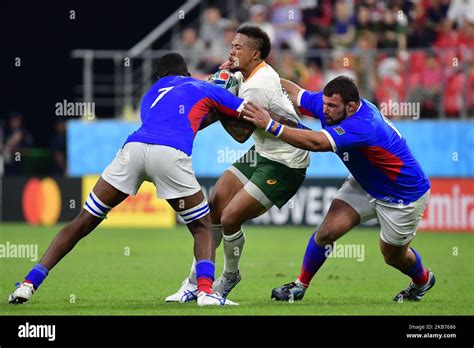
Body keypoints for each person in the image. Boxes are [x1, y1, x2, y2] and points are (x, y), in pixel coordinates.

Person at [8, 53, 250, 307]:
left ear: (158, 78)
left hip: (133, 150)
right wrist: (227, 92)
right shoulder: (199, 86)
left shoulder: (149, 96)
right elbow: (244, 114)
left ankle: (28, 284)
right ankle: (205, 292)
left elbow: (176, 120)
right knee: (202, 227)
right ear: (187, 74)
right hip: (169, 154)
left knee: (83, 221)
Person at [241, 76, 435, 302]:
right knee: (326, 233)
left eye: (332, 106)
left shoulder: (365, 125)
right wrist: (259, 73)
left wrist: (269, 125)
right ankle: (299, 285)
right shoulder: (330, 104)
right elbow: (295, 93)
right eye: (325, 104)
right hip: (365, 183)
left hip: (402, 195)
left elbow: (316, 143)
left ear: (351, 107)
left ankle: (423, 280)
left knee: (392, 256)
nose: (325, 110)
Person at [166, 26, 310, 302]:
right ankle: (194, 282)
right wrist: (220, 89)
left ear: (255, 54)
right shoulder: (248, 75)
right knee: (215, 205)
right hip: (264, 151)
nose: (232, 51)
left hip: (286, 161)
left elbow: (242, 134)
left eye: (238, 48)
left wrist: (219, 100)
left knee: (230, 217)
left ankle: (230, 276)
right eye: (231, 46)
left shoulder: (257, 85)